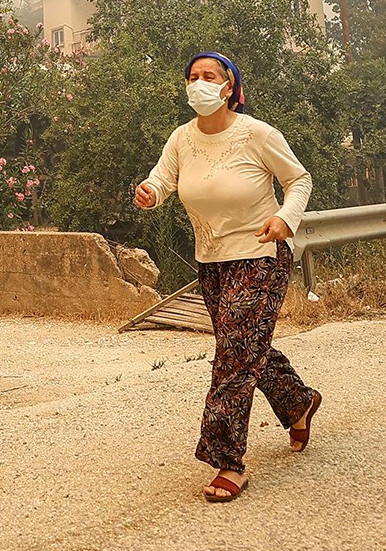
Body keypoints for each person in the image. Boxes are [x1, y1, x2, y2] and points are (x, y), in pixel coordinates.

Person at [133, 51, 317, 503]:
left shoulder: (257, 134)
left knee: (234, 355)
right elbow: (163, 179)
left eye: (209, 76)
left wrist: (285, 219)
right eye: (192, 77)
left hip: (261, 255)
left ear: (230, 87)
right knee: (245, 345)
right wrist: (150, 193)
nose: (199, 83)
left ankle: (227, 461)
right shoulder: (181, 138)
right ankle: (297, 402)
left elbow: (300, 180)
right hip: (211, 261)